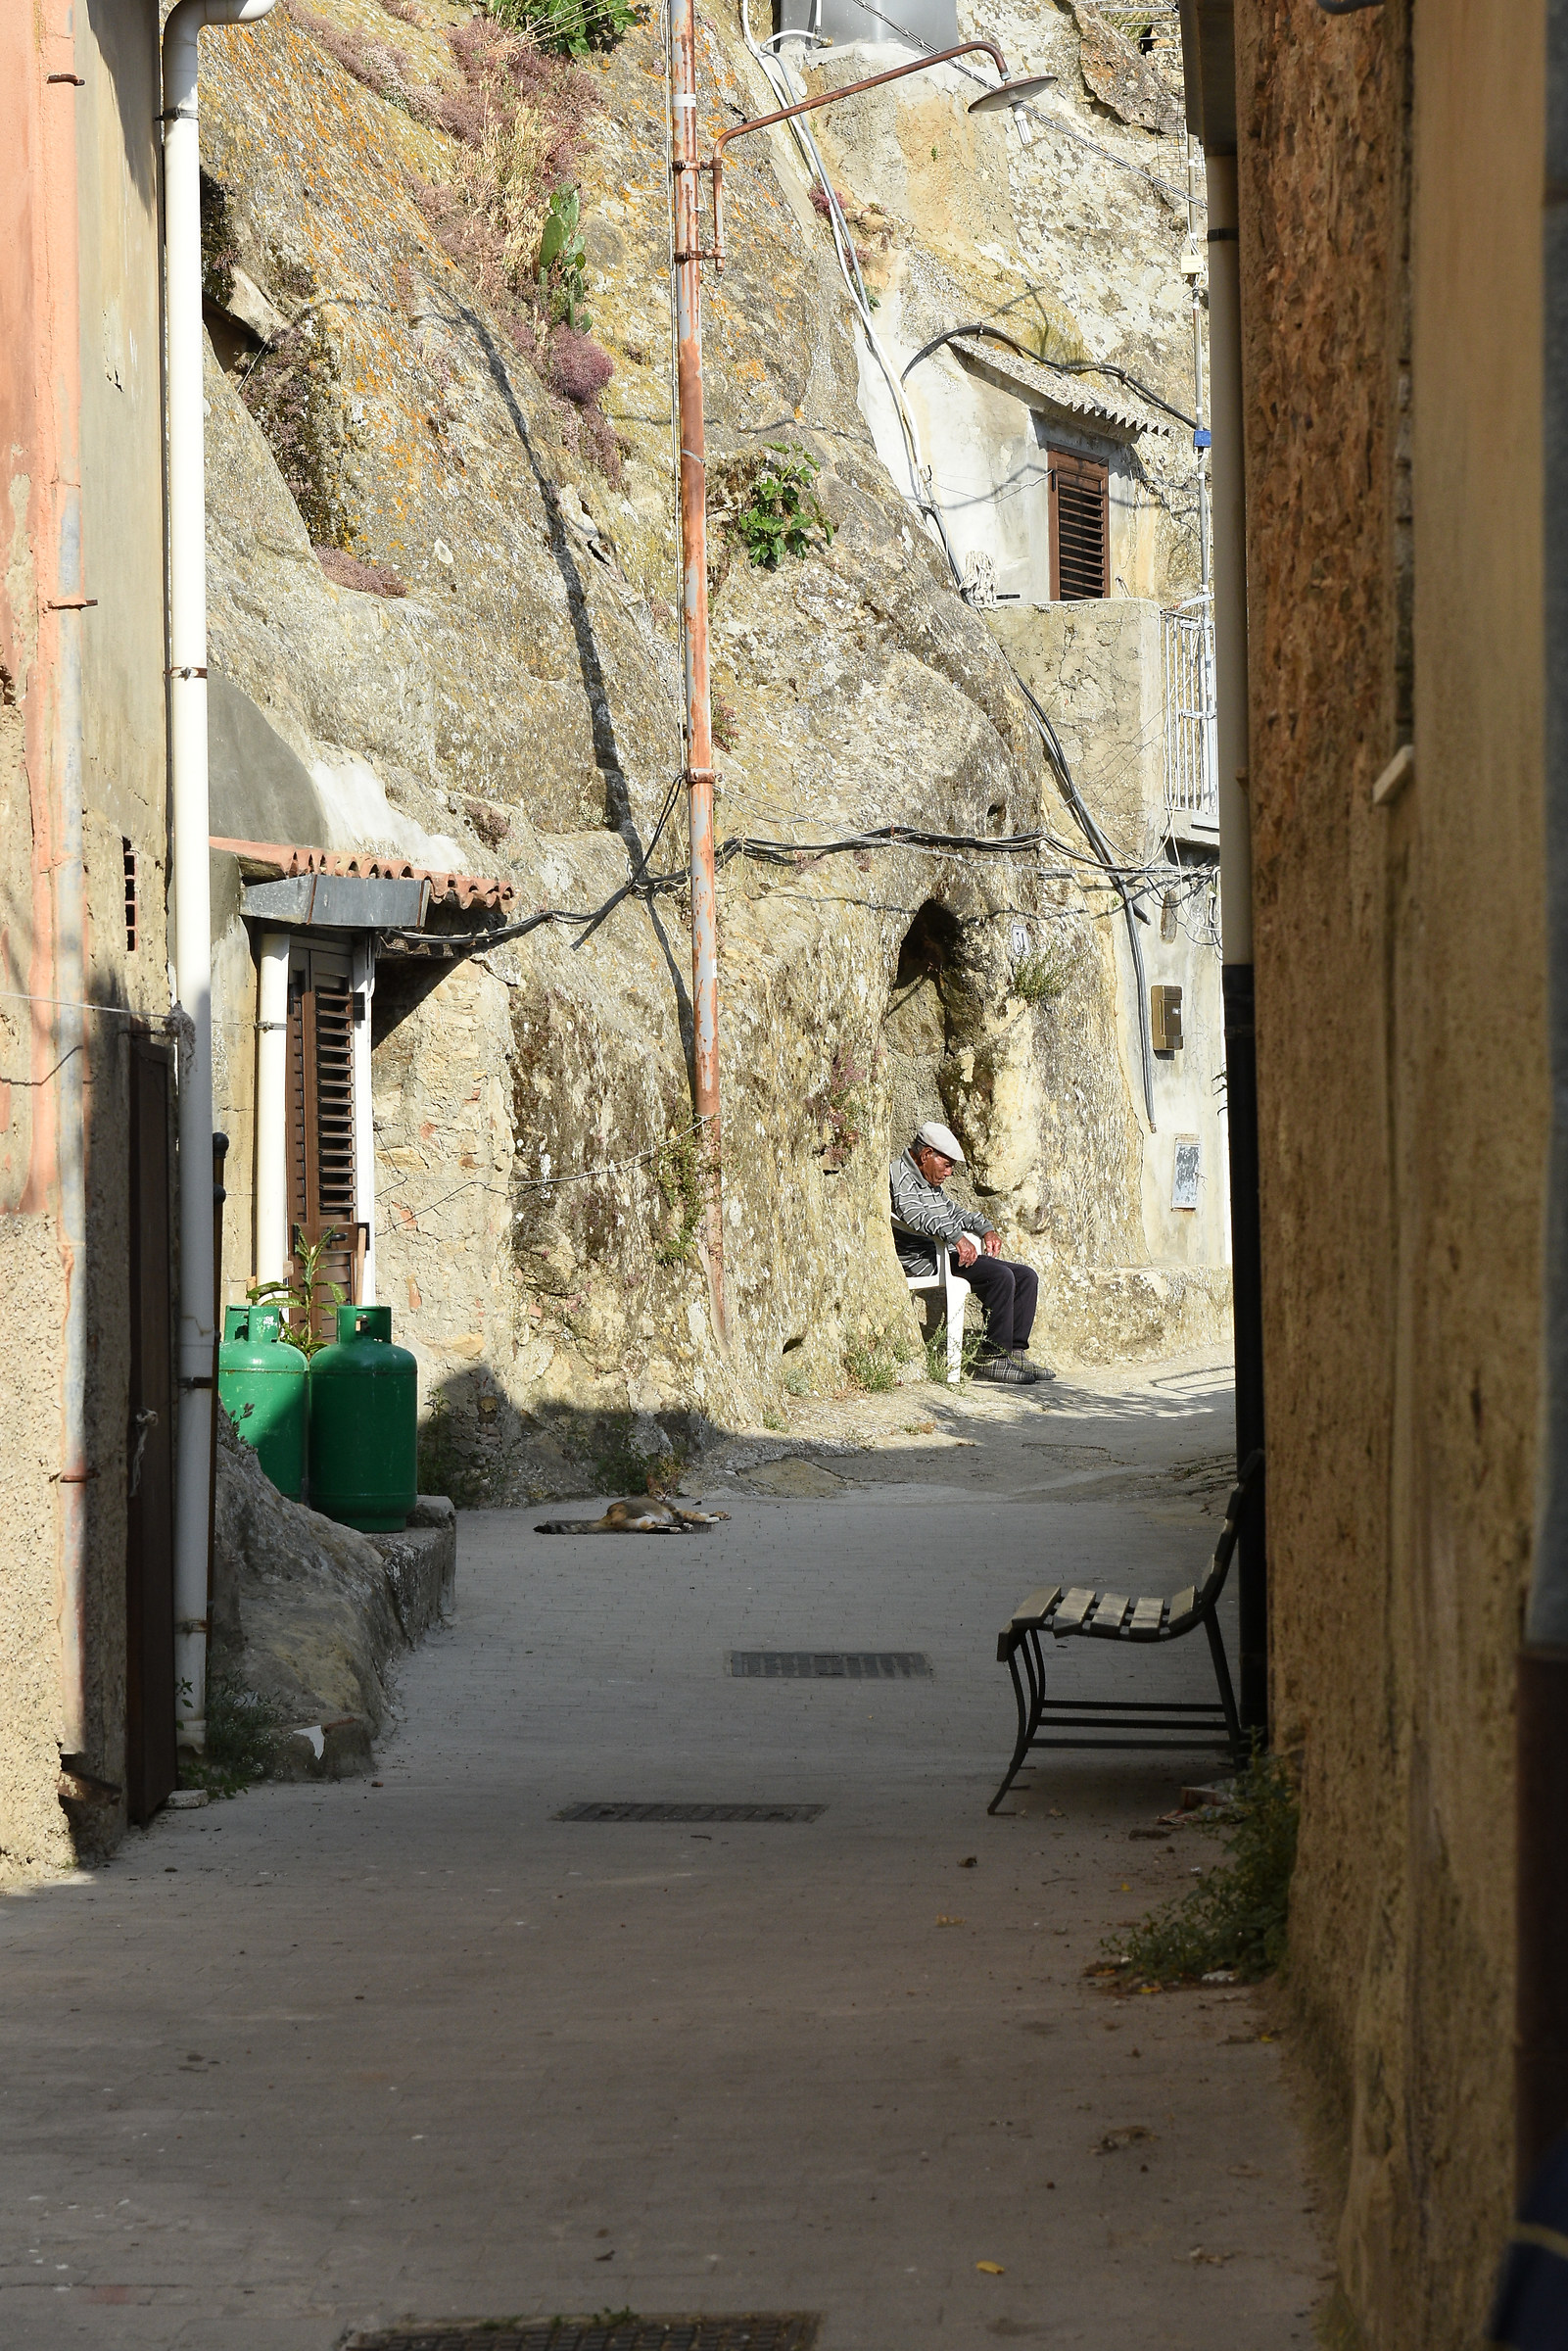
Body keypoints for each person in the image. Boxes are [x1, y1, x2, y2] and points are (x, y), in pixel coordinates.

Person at [889, 1120, 1051, 1385]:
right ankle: (993, 1359)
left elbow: (954, 1213)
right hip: (927, 1260)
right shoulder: (901, 1174)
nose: (949, 1172)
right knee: (1000, 1276)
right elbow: (912, 1214)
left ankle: (1014, 1352)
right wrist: (956, 1237)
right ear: (927, 1155)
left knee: (1026, 1276)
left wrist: (986, 1230)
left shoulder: (930, 1183)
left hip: (943, 1254)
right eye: (947, 1164)